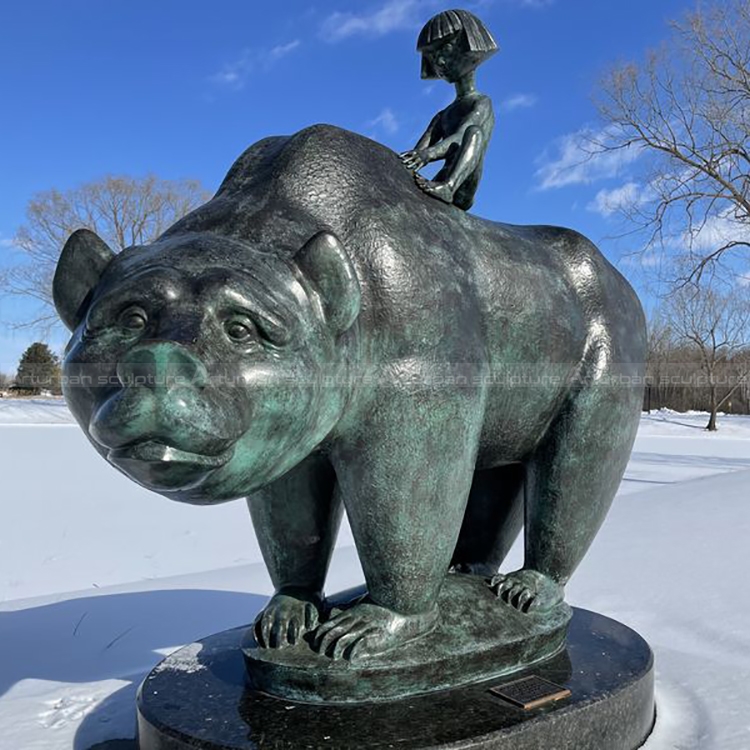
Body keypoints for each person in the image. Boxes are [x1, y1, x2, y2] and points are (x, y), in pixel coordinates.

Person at [400, 9, 498, 211]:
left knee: (474, 133)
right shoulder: (442, 116)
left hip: (463, 185)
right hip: (441, 176)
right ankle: (443, 185)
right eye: (434, 57)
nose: (440, 62)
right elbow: (418, 152)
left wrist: (428, 155)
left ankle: (449, 188)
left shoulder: (481, 103)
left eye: (445, 50)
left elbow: (461, 136)